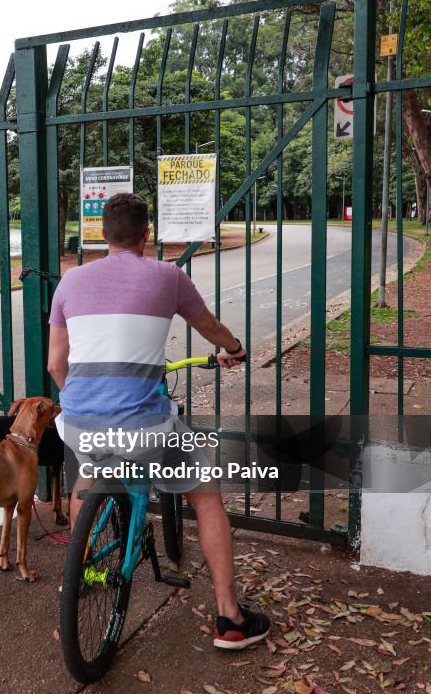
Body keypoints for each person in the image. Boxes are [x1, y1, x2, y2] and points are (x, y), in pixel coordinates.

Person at [47, 192, 270, 650]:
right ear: (147, 235)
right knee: (206, 498)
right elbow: (209, 327)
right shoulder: (168, 276)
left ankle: (84, 570)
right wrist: (234, 348)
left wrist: (86, 404)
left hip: (78, 421)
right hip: (144, 429)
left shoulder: (70, 282)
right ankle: (231, 619)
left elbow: (55, 365)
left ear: (102, 235)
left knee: (88, 474)